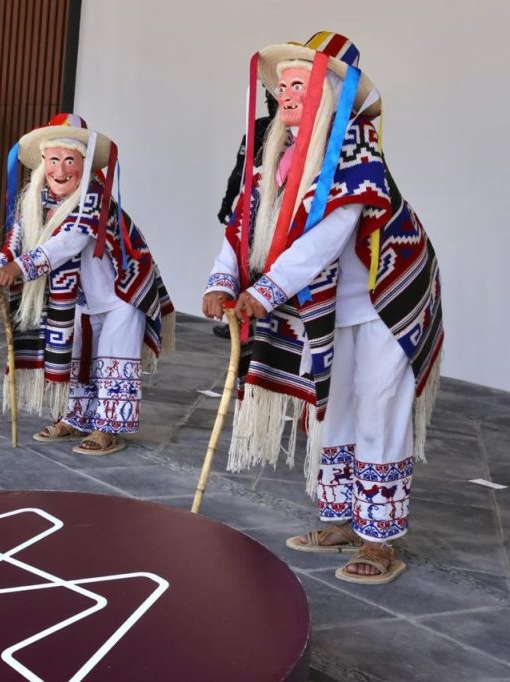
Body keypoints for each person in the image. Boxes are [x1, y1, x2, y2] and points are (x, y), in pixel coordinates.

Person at [202, 32, 443, 584]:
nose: (286, 95)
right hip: (331, 306)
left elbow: (327, 237)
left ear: (333, 94)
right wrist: (221, 280)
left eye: (300, 85)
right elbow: (243, 226)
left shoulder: (357, 148)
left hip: (386, 302)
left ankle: (379, 538)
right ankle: (341, 521)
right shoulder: (277, 155)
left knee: (379, 404)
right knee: (332, 405)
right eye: (283, 86)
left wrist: (264, 292)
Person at [0, 114, 174, 456]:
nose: (60, 170)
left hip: (121, 296)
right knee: (76, 358)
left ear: (84, 164)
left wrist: (20, 268)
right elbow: (17, 239)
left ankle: (109, 429)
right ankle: (76, 418)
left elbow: (67, 243)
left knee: (114, 360)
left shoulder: (94, 198)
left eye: (69, 160)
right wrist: (0, 266)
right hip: (79, 299)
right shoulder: (35, 202)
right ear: (43, 163)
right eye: (53, 160)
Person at [211, 91, 278, 339]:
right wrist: (228, 202)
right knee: (243, 259)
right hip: (257, 204)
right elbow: (240, 170)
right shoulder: (258, 128)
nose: (274, 106)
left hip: (284, 209)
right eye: (270, 101)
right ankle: (239, 319)